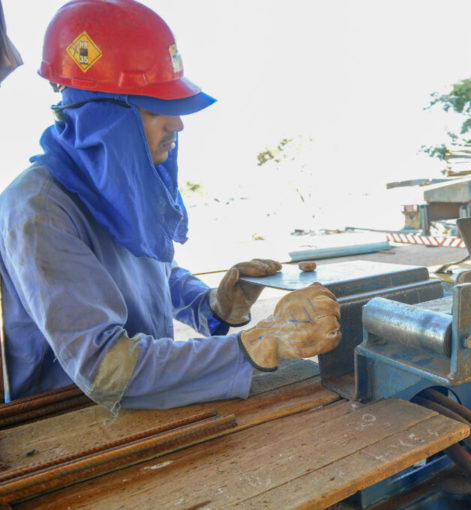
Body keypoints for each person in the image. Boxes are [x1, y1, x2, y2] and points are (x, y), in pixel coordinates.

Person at [0, 0, 341, 411]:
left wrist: (215, 305)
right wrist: (256, 345)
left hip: (144, 408)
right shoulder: (39, 212)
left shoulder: (116, 186)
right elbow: (109, 369)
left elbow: (153, 274)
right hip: (69, 425)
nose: (177, 123)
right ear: (102, 117)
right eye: (158, 108)